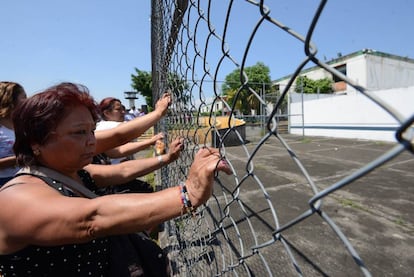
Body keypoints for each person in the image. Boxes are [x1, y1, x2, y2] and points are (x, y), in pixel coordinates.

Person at [0, 82, 231, 276]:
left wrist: (167, 159)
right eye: (79, 132)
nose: (92, 141)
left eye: (92, 131)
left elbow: (122, 171)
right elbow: (91, 218)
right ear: (35, 142)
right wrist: (187, 193)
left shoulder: (73, 173)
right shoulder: (15, 197)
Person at [0, 81, 27, 186]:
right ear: (9, 100)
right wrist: (19, 159)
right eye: (23, 97)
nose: (27, 100)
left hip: (23, 178)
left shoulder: (22, 125)